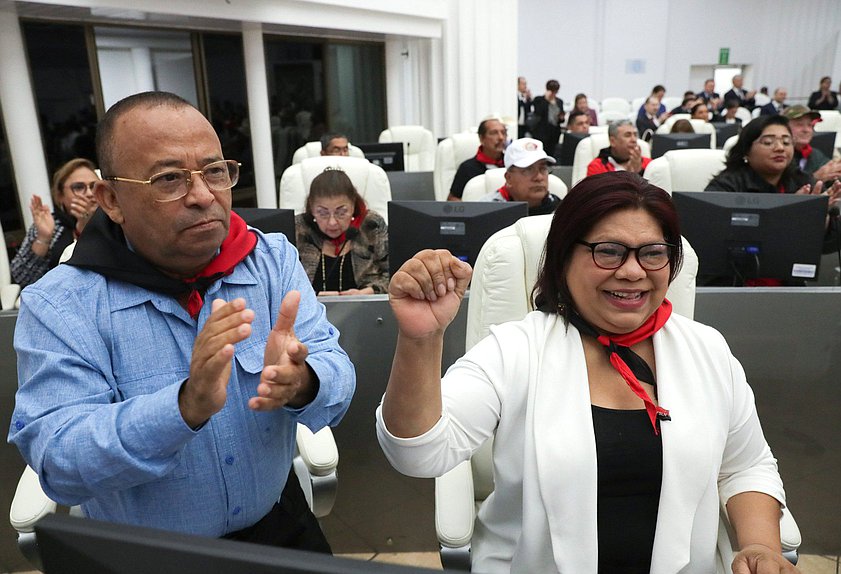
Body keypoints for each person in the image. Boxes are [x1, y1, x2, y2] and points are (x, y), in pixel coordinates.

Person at [377, 171, 795, 573]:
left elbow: (746, 465)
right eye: (608, 251)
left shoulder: (706, 350)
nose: (633, 271)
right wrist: (420, 339)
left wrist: (760, 547)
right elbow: (419, 453)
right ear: (563, 258)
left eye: (652, 253)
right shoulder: (516, 349)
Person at [9, 92, 355, 550]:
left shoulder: (270, 262)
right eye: (168, 178)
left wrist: (304, 382)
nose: (202, 195)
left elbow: (338, 374)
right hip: (147, 553)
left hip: (279, 525)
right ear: (111, 199)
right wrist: (182, 408)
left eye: (215, 171)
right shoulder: (59, 306)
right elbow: (60, 463)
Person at [706, 114, 841, 260]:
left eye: (786, 142)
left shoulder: (804, 183)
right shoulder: (725, 187)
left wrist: (821, 220)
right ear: (746, 150)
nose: (779, 148)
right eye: (768, 142)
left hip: (788, 276)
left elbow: (829, 247)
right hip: (734, 278)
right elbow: (715, 242)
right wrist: (785, 216)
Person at [295, 167, 389, 295]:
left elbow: (395, 275)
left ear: (353, 205)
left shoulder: (371, 226)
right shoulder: (299, 229)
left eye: (341, 212)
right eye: (322, 213)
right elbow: (283, 282)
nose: (332, 222)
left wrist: (369, 292)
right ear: (311, 208)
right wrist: (312, 297)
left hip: (364, 310)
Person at [10, 158, 99, 288]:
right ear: (60, 196)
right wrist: (43, 237)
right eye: (79, 187)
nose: (90, 193)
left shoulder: (115, 221)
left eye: (94, 186)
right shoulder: (52, 224)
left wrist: (89, 227)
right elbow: (22, 279)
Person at [480, 137, 561, 216]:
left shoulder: (561, 209)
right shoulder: (486, 212)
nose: (539, 177)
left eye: (543, 168)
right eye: (528, 170)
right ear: (509, 178)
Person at [448, 117, 507, 201]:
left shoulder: (511, 165)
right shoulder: (467, 168)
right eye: (494, 133)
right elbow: (452, 199)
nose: (501, 137)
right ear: (481, 138)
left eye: (503, 133)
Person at [783, 105, 841, 183]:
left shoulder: (815, 154)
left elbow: (830, 172)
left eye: (810, 125)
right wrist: (814, 179)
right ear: (784, 127)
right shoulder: (779, 155)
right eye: (799, 124)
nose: (806, 130)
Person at [586, 119, 652, 177]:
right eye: (627, 135)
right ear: (612, 141)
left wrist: (639, 172)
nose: (634, 140)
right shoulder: (596, 167)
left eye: (635, 135)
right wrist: (631, 175)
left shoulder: (649, 164)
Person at [530, 79, 565, 157]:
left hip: (554, 132)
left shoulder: (559, 101)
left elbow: (561, 118)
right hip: (542, 131)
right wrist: (546, 100)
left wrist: (561, 117)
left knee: (552, 152)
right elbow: (538, 112)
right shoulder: (539, 100)